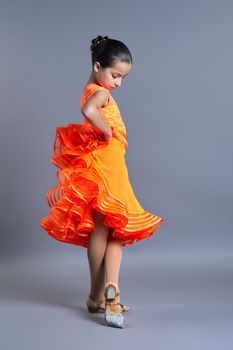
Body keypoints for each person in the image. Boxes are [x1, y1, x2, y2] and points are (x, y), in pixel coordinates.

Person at [40, 35, 164, 328]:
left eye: (123, 77)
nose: (119, 83)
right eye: (115, 75)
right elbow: (89, 113)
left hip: (102, 162)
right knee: (117, 228)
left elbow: (86, 114)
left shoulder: (92, 86)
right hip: (109, 163)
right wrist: (108, 132)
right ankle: (112, 295)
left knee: (101, 227)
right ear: (98, 66)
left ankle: (96, 295)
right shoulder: (102, 94)